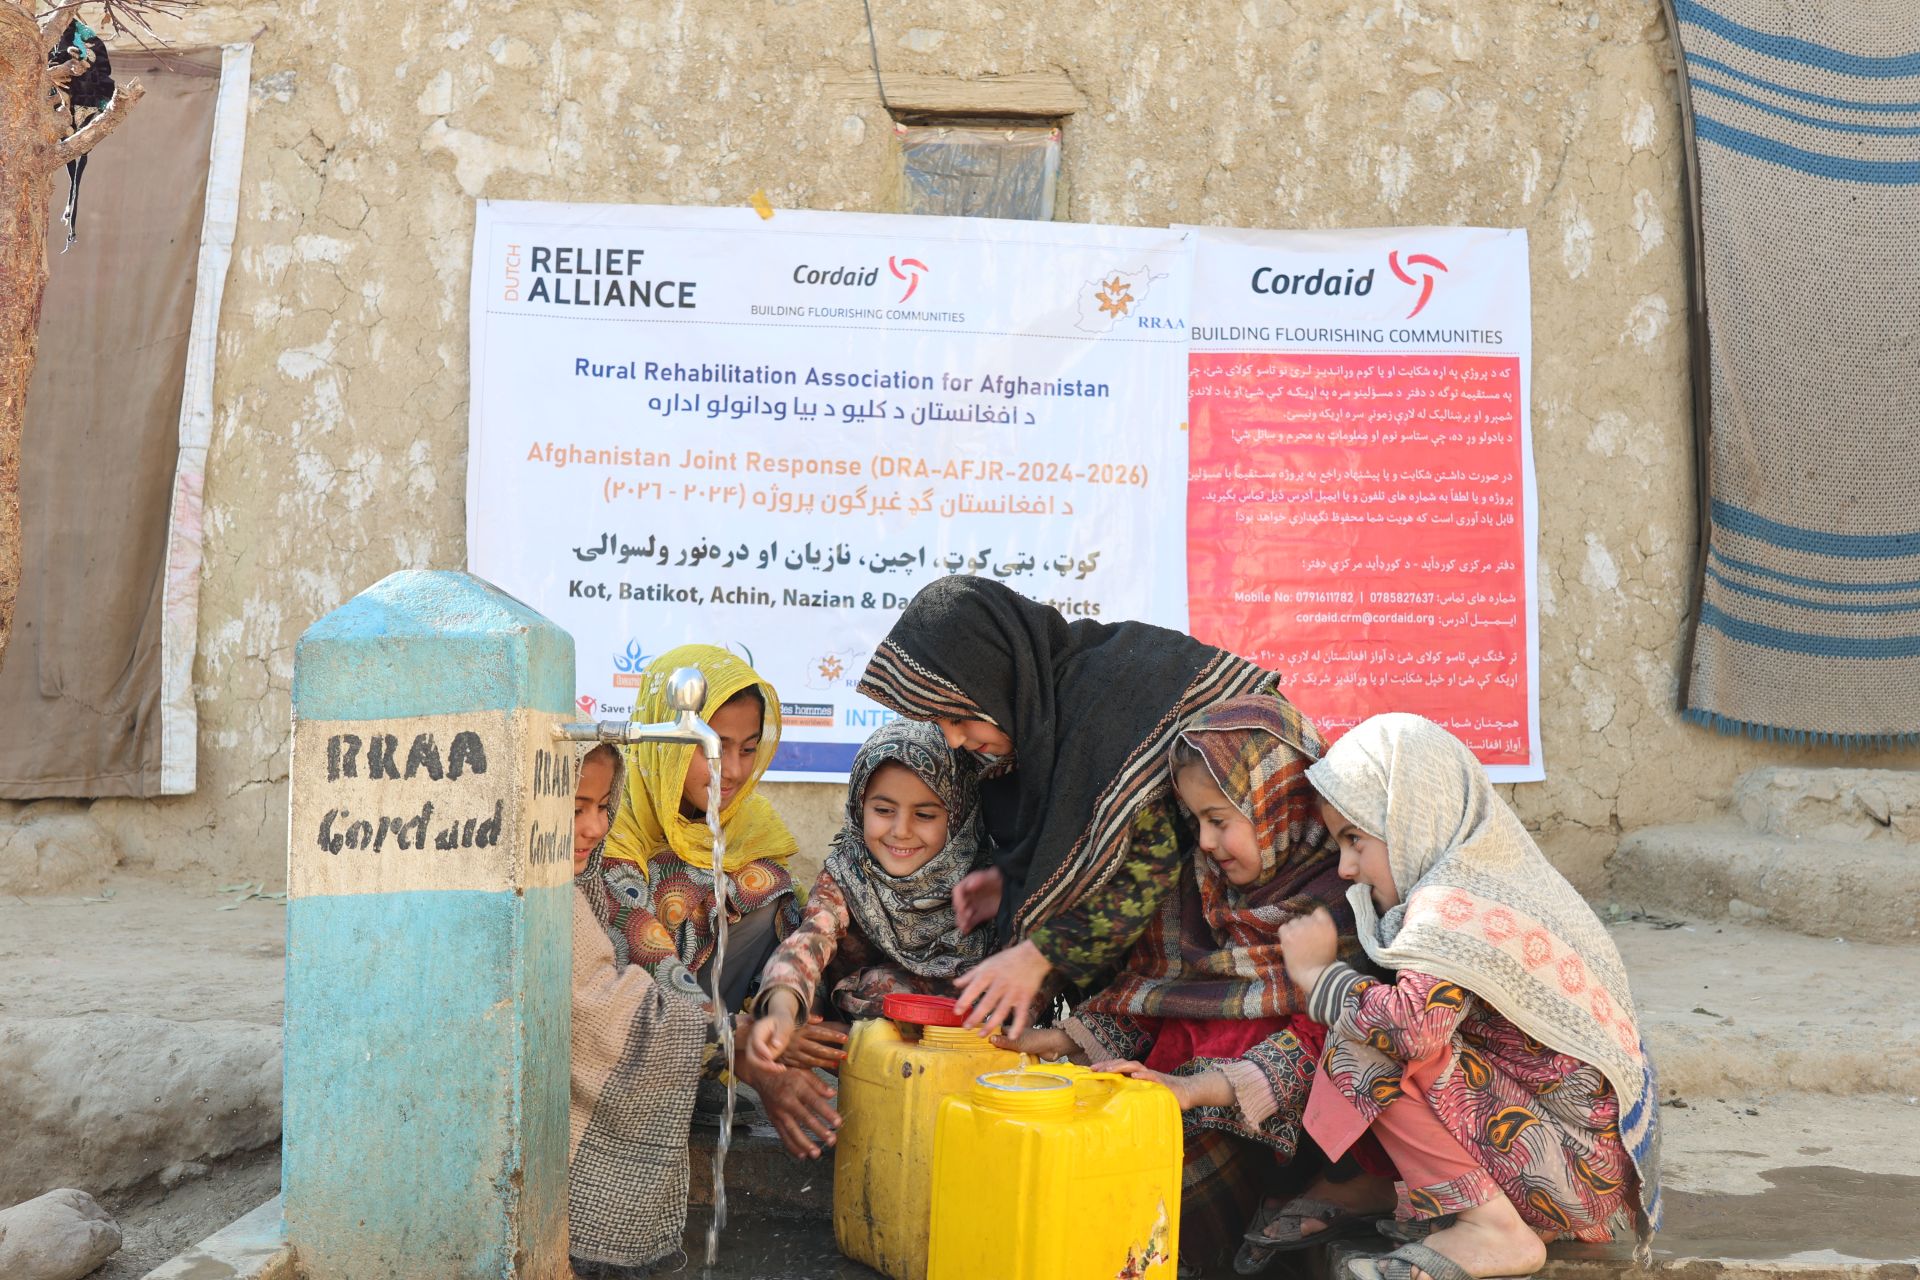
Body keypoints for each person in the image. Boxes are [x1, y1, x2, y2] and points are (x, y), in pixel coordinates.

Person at [999, 696, 1379, 1271]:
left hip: (1281, 1140)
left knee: (1160, 1178)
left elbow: (1326, 1048)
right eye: (1196, 821)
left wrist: (1193, 1090)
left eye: (1220, 821)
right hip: (1173, 1092)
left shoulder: (1340, 906)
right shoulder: (1200, 891)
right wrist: (1062, 1043)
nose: (1203, 842)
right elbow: (1157, 996)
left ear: (1280, 803)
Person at [1280, 714, 1662, 1280]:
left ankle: (1493, 1230)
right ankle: (1491, 1215)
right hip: (1590, 1168)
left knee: (1364, 1048)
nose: (1346, 867)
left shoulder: (1450, 906)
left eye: (1355, 838)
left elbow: (1413, 1030)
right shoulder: (1503, 879)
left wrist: (1317, 976)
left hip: (1571, 1170)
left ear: (1411, 815)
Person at [855, 576, 1281, 1038]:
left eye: (959, 717)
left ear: (1001, 682)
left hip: (1269, 934)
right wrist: (1015, 879)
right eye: (940, 721)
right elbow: (1078, 841)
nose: (954, 738)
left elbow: (1146, 867)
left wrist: (1037, 955)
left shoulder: (1104, 706)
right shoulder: (1039, 731)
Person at [569, 743, 837, 1277]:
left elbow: (813, 921)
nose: (596, 826)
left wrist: (778, 1017)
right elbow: (602, 995)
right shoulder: (602, 859)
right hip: (674, 1010)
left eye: (602, 807)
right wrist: (737, 1046)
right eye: (576, 809)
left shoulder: (753, 823)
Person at [742, 719, 991, 1105]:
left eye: (925, 815)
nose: (900, 831)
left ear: (958, 815)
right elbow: (810, 940)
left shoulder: (988, 881)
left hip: (970, 1051)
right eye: (883, 809)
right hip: (861, 1042)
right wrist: (781, 1009)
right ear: (860, 806)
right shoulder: (849, 871)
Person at [600, 644, 800, 1011]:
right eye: (713, 747)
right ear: (667, 739)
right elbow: (631, 938)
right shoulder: (609, 816)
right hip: (625, 1021)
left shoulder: (751, 822)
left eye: (748, 749)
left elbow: (791, 938)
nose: (735, 772)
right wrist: (723, 1036)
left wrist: (779, 1018)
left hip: (727, 1019)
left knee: (767, 882)